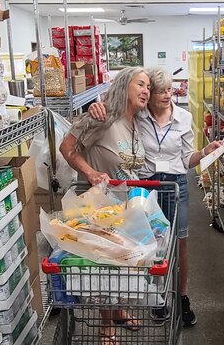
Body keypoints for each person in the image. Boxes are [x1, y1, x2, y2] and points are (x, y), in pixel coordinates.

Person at [88, 67, 222, 327]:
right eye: (160, 91)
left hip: (176, 185)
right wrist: (97, 105)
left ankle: (182, 297)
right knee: (149, 243)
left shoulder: (183, 117)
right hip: (146, 185)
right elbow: (114, 106)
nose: (166, 96)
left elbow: (187, 159)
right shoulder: (138, 116)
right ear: (149, 96)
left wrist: (206, 150)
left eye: (169, 90)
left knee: (180, 243)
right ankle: (157, 297)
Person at [59, 66, 151, 345]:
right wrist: (90, 173)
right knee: (104, 267)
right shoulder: (102, 117)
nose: (146, 90)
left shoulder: (135, 122)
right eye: (140, 84)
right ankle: (106, 330)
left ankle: (120, 311)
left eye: (148, 86)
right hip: (98, 206)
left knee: (121, 263)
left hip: (125, 205)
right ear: (125, 85)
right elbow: (67, 147)